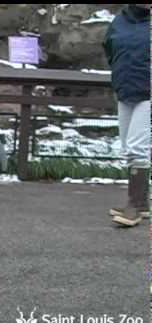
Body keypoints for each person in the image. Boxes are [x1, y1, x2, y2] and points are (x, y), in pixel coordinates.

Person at [103, 4, 151, 227]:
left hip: (148, 92)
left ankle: (134, 207)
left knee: (136, 146)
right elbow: (110, 50)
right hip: (125, 89)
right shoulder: (118, 22)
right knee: (127, 145)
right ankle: (141, 203)